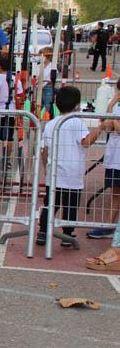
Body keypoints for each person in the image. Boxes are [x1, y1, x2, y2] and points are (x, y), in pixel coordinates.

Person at [37, 86, 102, 246]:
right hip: (72, 174)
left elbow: (45, 151)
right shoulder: (76, 122)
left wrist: (46, 168)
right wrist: (99, 128)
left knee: (51, 203)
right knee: (71, 205)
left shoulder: (51, 124)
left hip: (54, 173)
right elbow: (86, 142)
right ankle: (67, 233)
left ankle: (43, 231)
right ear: (77, 105)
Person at [88, 78, 120, 239]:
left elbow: (116, 126)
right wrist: (113, 102)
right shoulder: (116, 104)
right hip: (115, 155)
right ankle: (108, 226)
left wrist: (113, 122)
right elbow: (106, 123)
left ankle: (109, 225)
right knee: (115, 192)